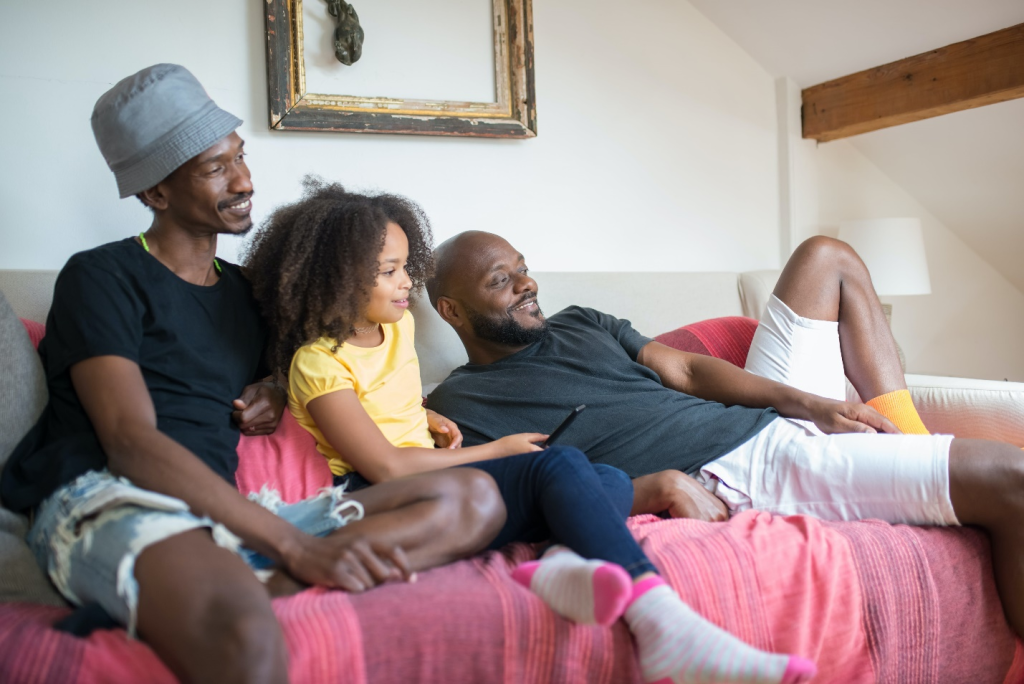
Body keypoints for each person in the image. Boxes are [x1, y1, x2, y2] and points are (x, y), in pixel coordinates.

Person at [0, 64, 509, 684]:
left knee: (475, 500)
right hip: (109, 497)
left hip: (221, 514)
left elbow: (303, 373)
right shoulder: (101, 276)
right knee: (244, 637)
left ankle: (247, 583)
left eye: (239, 157)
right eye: (215, 168)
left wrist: (271, 387)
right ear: (156, 192)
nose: (243, 180)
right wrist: (293, 543)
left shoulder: (246, 292)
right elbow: (130, 441)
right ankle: (256, 582)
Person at [242, 180, 817, 684]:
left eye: (404, 266)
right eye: (390, 272)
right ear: (340, 282)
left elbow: (391, 407)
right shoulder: (317, 362)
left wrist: (425, 417)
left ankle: (566, 563)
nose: (406, 283)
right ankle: (667, 625)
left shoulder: (394, 331)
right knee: (555, 465)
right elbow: (384, 464)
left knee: (597, 474)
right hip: (383, 489)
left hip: (431, 477)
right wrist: (498, 448)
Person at [424, 229, 1024, 639]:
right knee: (1010, 478)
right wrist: (650, 488)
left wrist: (810, 403)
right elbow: (518, 495)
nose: (527, 285)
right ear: (451, 311)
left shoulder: (580, 321)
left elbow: (684, 368)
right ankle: (912, 457)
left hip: (762, 418)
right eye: (502, 280)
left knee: (826, 254)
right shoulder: (460, 405)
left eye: (524, 270)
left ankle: (910, 437)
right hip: (741, 465)